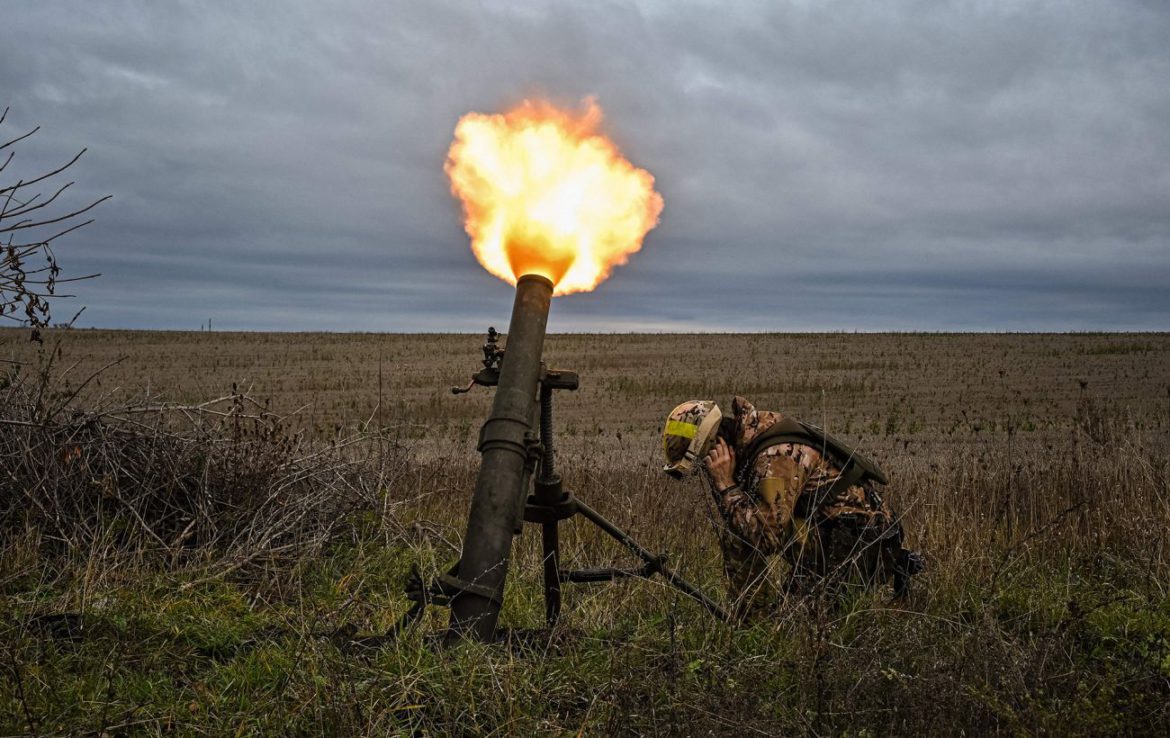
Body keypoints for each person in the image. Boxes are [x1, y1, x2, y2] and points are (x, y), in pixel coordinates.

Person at [662, 396, 923, 621]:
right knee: (741, 528)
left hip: (861, 550)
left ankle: (755, 627)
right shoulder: (755, 443)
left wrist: (726, 486)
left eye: (702, 465)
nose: (704, 473)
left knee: (742, 540)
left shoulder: (775, 457)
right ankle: (769, 618)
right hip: (836, 541)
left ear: (717, 448)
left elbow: (766, 538)